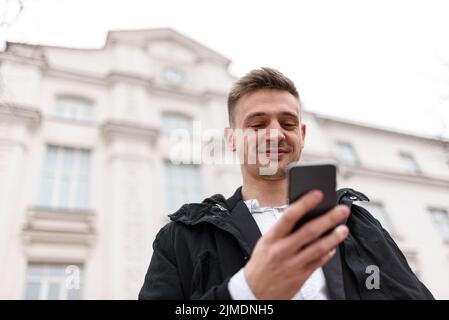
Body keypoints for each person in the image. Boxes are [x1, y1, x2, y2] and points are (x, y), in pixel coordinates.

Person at [139, 67, 434, 300]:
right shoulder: (181, 238)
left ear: (302, 135)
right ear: (232, 140)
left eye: (288, 123)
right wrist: (246, 291)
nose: (276, 134)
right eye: (257, 124)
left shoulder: (356, 223)